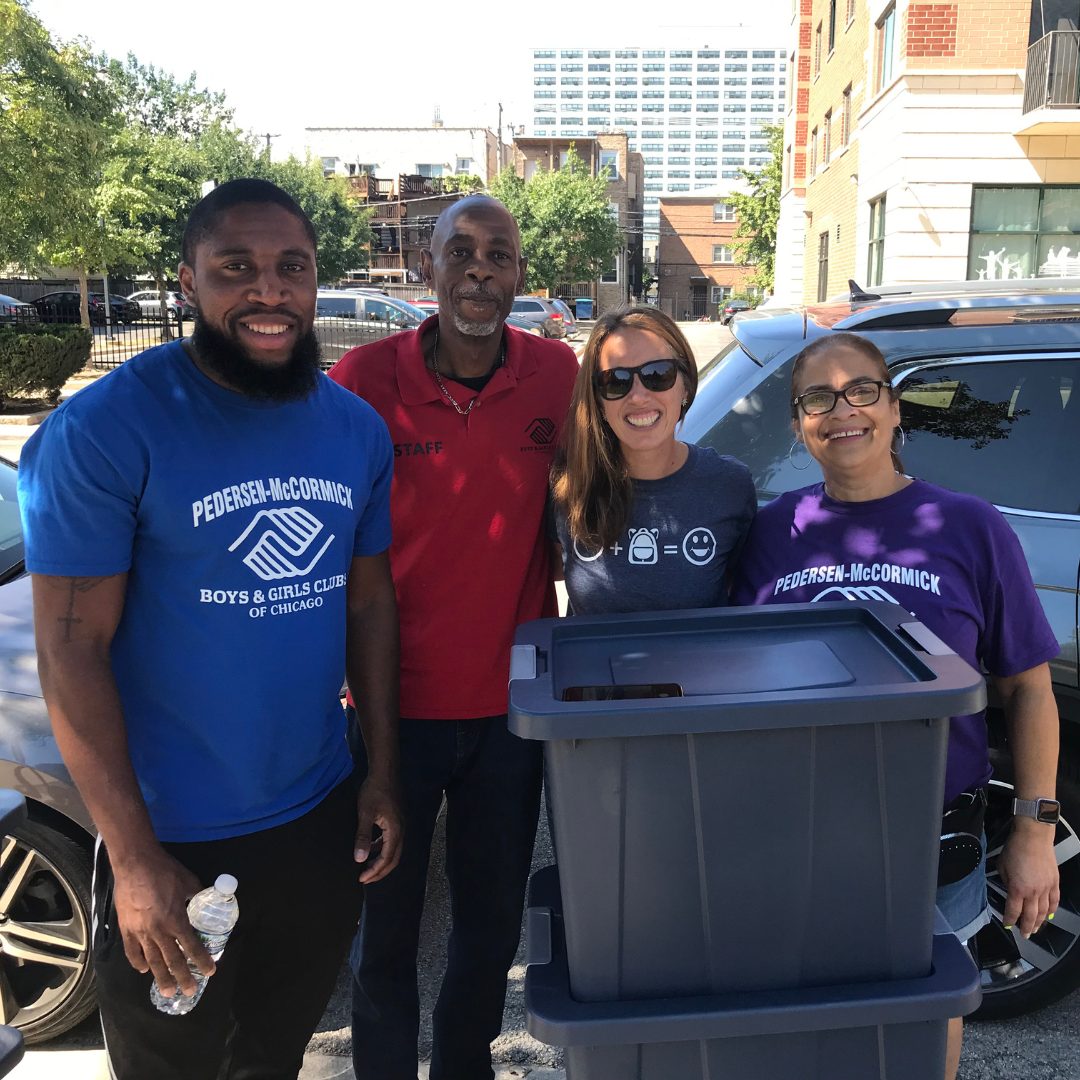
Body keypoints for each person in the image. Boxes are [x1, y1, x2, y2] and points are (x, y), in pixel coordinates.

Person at [18, 178, 402, 1080]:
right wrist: (137, 862)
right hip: (173, 838)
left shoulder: (354, 431)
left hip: (315, 819)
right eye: (237, 268)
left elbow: (370, 604)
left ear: (316, 282)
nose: (269, 292)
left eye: (291, 268)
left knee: (274, 1053)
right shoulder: (105, 432)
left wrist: (381, 771)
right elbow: (70, 648)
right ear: (189, 282)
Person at [730, 331, 1060, 1080]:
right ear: (798, 424)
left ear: (894, 406)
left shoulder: (969, 527)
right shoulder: (775, 532)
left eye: (861, 391)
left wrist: (1035, 832)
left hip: (934, 836)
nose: (842, 410)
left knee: (925, 1021)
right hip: (801, 834)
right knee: (811, 1023)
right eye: (818, 397)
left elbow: (1031, 688)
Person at [328, 194, 578, 1080]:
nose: (480, 269)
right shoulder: (360, 379)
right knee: (384, 932)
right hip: (390, 714)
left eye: (498, 254)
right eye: (460, 252)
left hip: (512, 715)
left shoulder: (558, 376)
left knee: (487, 927)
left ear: (518, 271)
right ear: (425, 267)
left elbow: (607, 501)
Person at [552, 306, 755, 615]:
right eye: (616, 381)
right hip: (591, 663)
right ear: (598, 400)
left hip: (697, 664)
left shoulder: (729, 486)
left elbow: (741, 594)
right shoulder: (569, 484)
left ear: (685, 385)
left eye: (657, 375)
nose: (638, 396)